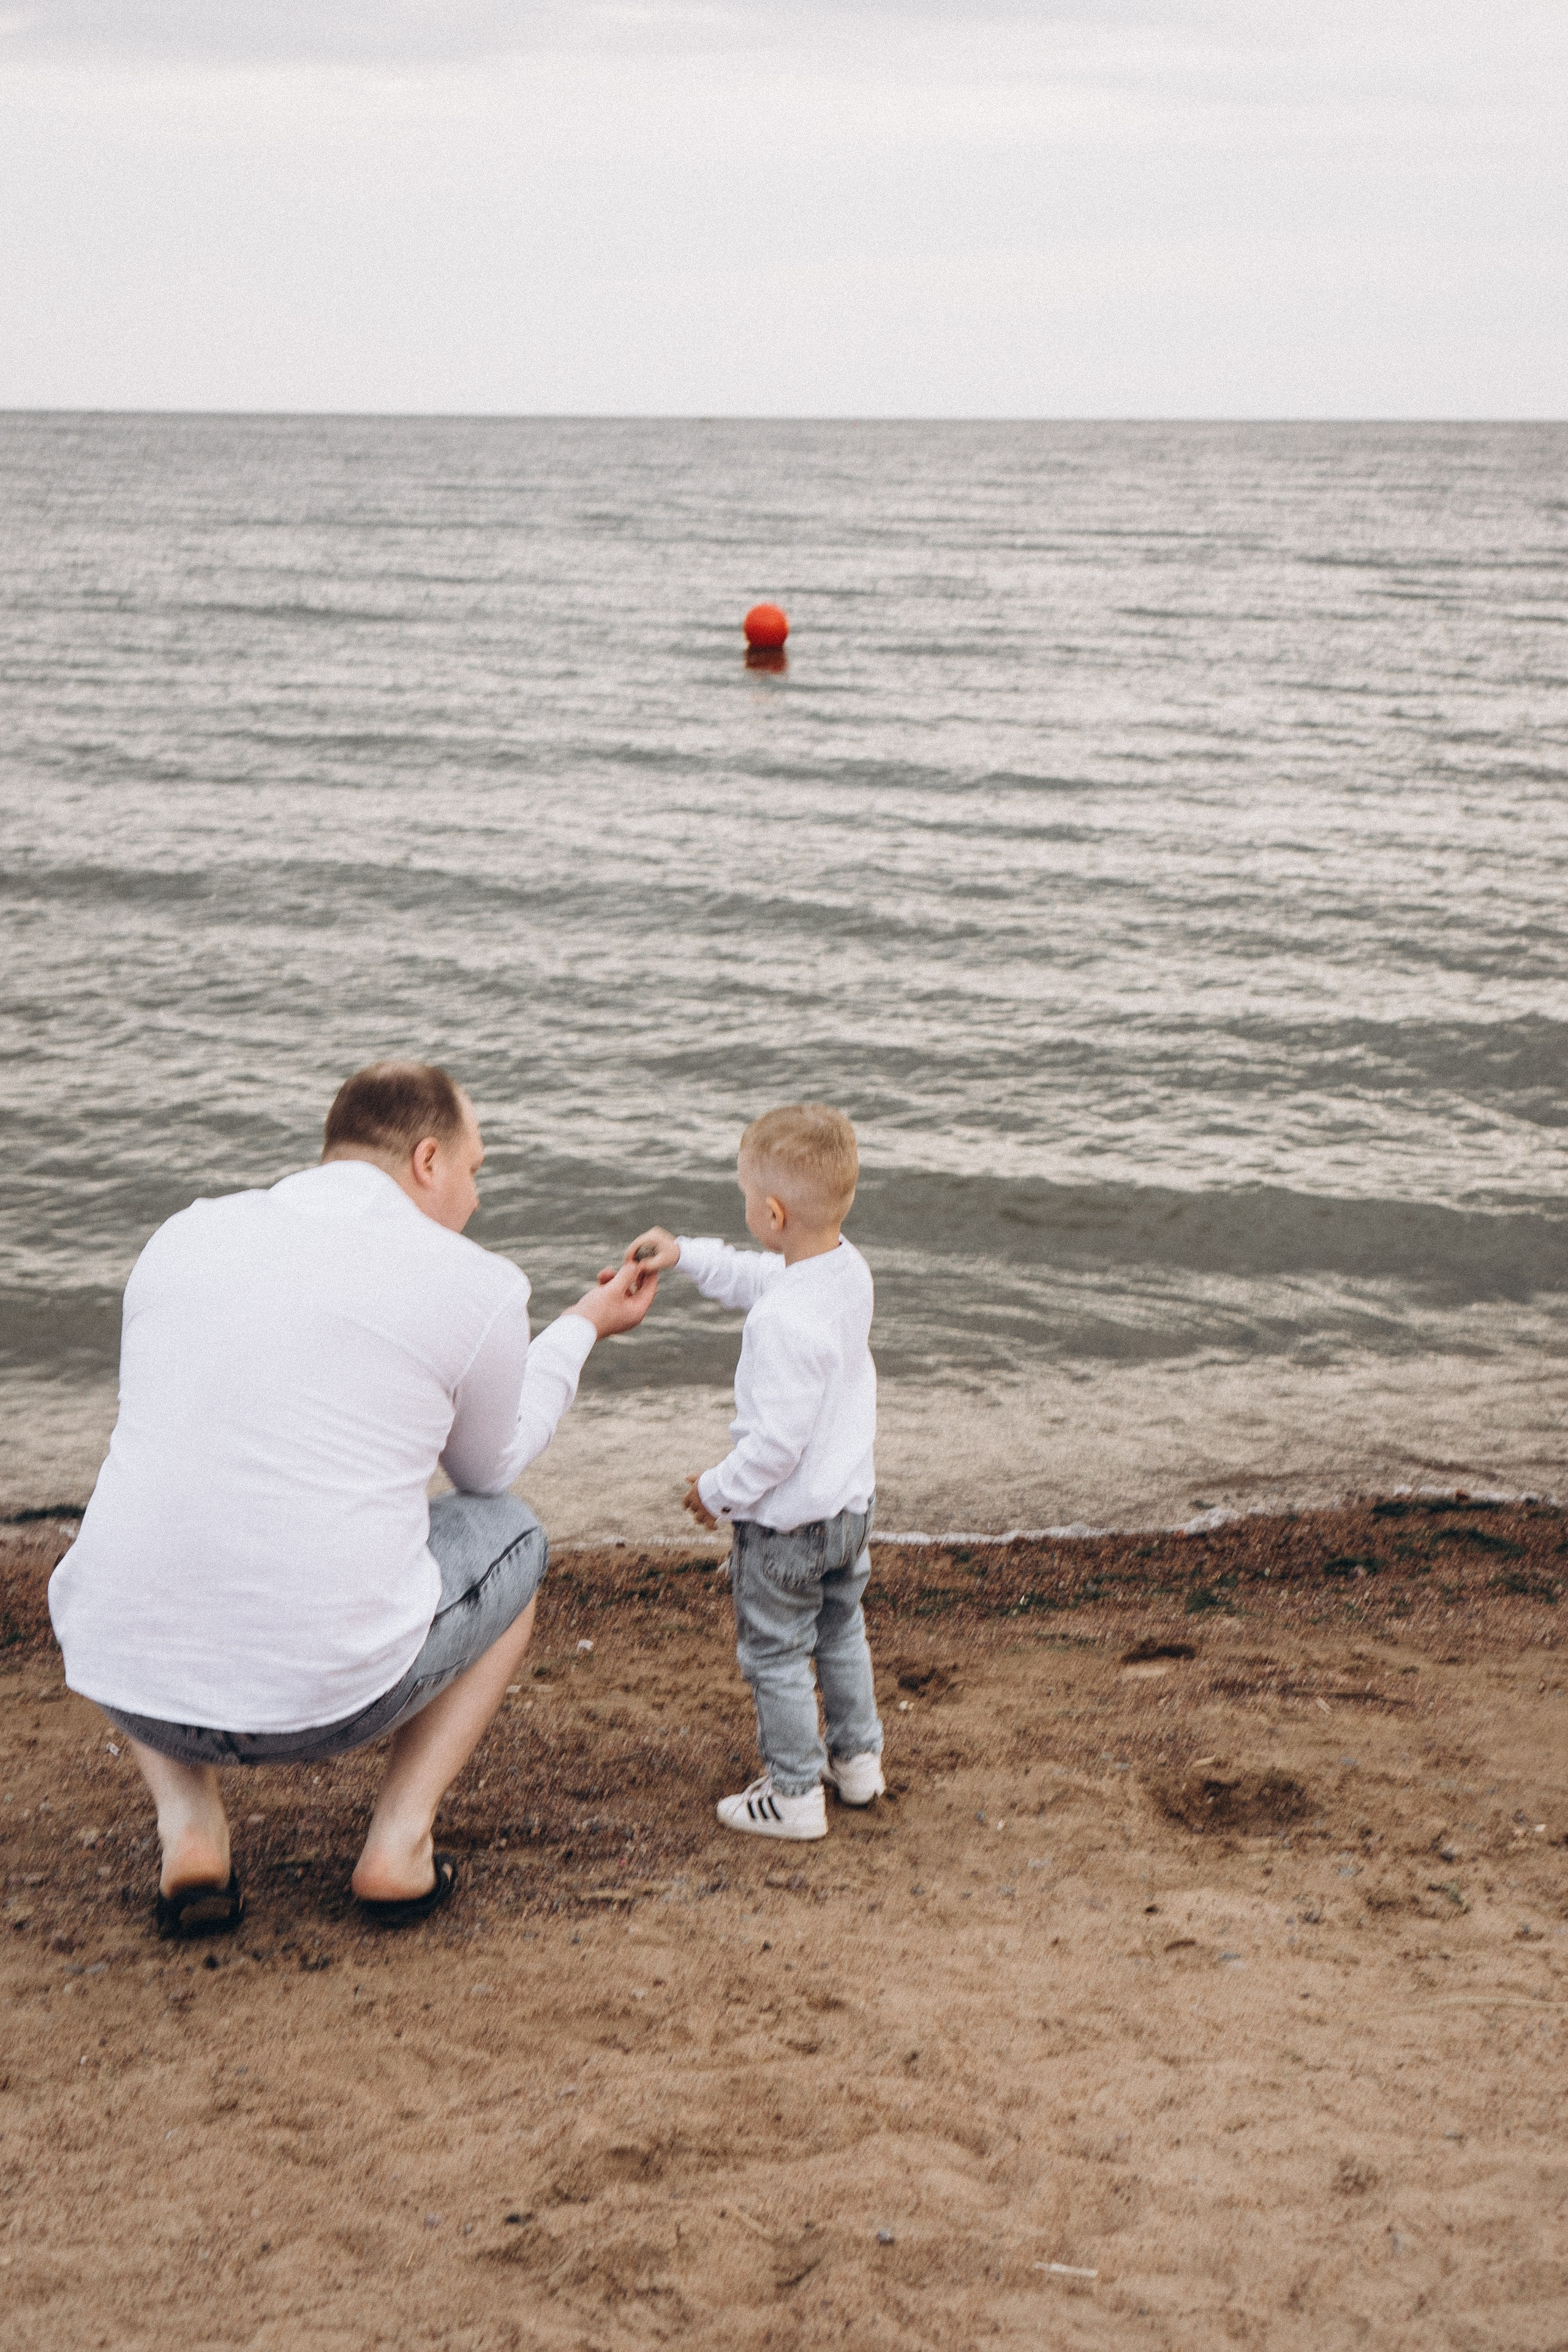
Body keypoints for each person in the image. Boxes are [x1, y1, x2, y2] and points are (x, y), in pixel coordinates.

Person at [48, 1061, 657, 1934]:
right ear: (426, 1160)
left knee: (153, 1515)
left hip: (129, 1677)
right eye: (474, 1170)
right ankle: (398, 1845)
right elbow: (491, 1471)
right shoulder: (472, 1278)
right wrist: (582, 1327)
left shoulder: (184, 1234)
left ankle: (188, 1826)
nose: (476, 1198)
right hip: (331, 1700)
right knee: (512, 1536)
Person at [623, 1103, 883, 1841]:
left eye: (745, 1199)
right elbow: (758, 1275)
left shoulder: (780, 1323)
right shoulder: (843, 1269)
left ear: (771, 1213)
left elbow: (773, 1449)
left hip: (786, 1529)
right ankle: (858, 1762)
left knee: (775, 1654)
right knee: (840, 1633)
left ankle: (795, 1793)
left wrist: (714, 1491)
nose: (745, 1212)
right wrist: (684, 1255)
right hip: (848, 1509)